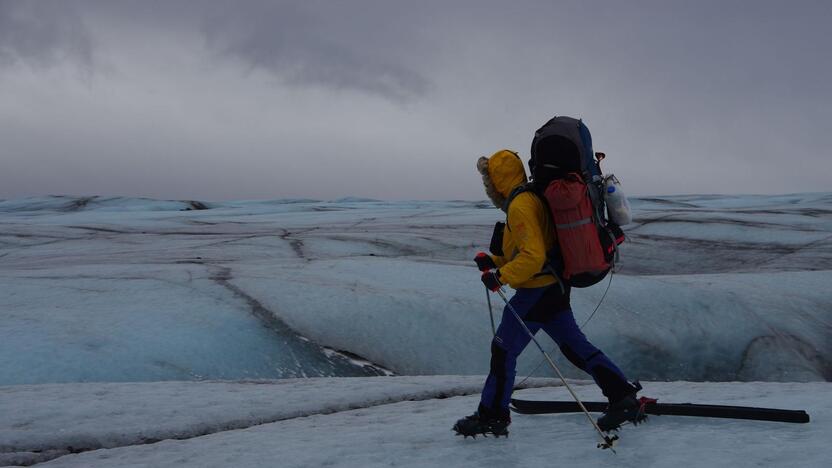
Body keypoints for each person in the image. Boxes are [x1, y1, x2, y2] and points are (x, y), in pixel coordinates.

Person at [453, 149, 641, 438]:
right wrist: (495, 262)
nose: (488, 188)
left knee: (503, 351)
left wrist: (500, 276)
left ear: (499, 181)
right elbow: (531, 251)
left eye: (489, 181)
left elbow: (533, 257)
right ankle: (622, 396)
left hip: (536, 291)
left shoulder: (519, 206)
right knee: (576, 347)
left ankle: (492, 416)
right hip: (554, 287)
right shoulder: (531, 198)